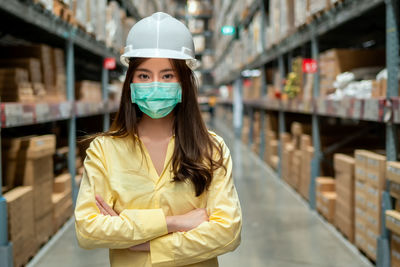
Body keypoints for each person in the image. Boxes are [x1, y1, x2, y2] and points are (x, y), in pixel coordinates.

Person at [74, 12, 242, 267]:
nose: (154, 85)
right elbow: (88, 229)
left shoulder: (212, 148)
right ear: (130, 82)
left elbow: (227, 232)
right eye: (144, 76)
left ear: (184, 83)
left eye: (167, 76)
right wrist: (173, 223)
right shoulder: (104, 151)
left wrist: (143, 242)